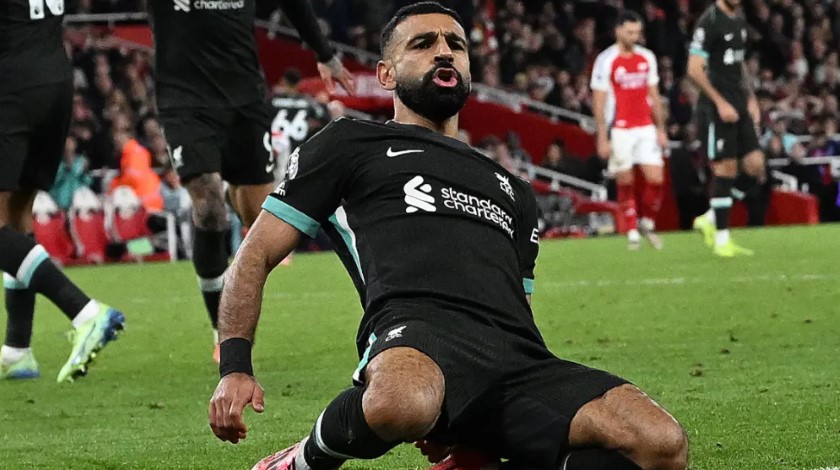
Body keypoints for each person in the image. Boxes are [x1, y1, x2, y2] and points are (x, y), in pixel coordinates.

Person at [208, 4, 688, 470]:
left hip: (518, 357)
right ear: (386, 74)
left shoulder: (514, 189)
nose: (445, 52)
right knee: (402, 402)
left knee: (662, 445)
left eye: (456, 45)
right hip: (415, 335)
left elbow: (518, 304)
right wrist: (235, 367)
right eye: (423, 43)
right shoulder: (349, 144)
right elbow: (253, 255)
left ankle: (479, 451)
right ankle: (305, 460)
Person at [146, 0, 355, 362]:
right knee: (208, 205)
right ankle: (221, 327)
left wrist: (325, 54)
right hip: (186, 102)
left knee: (261, 221)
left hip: (244, 100)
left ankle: (232, 195)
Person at [0, 0, 125, 382]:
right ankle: (17, 351)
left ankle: (86, 313)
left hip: (11, 81)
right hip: (55, 81)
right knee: (18, 216)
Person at [687, 0, 766, 257]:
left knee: (755, 166)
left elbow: (738, 63)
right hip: (716, 108)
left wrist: (751, 97)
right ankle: (722, 240)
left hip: (740, 104)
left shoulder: (738, 18)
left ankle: (710, 217)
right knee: (726, 169)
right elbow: (693, 69)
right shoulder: (709, 22)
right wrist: (720, 102)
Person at [591, 11, 667, 251]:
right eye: (630, 32)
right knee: (625, 179)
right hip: (621, 127)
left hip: (645, 126)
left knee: (656, 177)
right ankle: (632, 231)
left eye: (637, 32)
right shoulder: (606, 60)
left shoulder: (647, 57)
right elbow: (599, 100)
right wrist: (602, 136)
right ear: (618, 31)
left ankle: (646, 222)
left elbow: (653, 95)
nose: (635, 36)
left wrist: (661, 127)